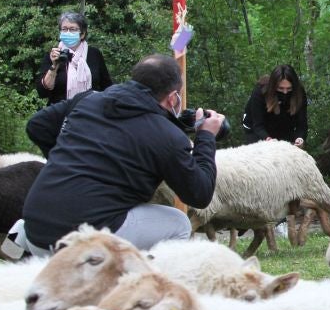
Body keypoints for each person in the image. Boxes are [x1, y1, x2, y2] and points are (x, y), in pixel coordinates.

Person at [17, 54, 223, 254]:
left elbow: (37, 125)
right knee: (178, 223)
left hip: (35, 230)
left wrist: (66, 160)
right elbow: (200, 194)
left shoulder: (87, 99)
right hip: (79, 244)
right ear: (173, 98)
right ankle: (137, 285)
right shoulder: (167, 136)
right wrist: (206, 136)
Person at [36, 10, 113, 105]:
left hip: (90, 112)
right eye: (64, 29)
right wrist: (54, 66)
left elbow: (106, 86)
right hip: (60, 113)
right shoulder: (53, 55)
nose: (68, 32)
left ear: (82, 34)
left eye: (72, 29)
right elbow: (42, 92)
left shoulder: (94, 54)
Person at [243, 64, 308, 146]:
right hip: (256, 130)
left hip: (284, 127)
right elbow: (258, 125)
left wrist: (300, 138)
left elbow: (302, 124)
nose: (285, 92)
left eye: (289, 88)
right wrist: (267, 139)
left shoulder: (299, 93)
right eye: (281, 88)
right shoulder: (260, 92)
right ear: (273, 86)